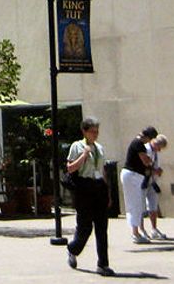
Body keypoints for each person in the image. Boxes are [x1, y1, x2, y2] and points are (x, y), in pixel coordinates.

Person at [65, 116, 114, 277]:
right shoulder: (77, 146)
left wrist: (107, 193)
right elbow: (71, 168)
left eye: (97, 131)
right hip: (84, 188)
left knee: (102, 227)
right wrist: (84, 155)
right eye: (92, 131)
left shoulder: (99, 148)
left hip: (98, 186)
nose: (95, 134)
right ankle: (73, 249)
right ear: (84, 131)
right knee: (85, 227)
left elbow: (103, 171)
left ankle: (103, 264)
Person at [120, 126, 158, 244]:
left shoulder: (138, 143)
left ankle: (136, 231)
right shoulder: (138, 143)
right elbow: (145, 161)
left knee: (135, 203)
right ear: (148, 137)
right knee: (135, 204)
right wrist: (150, 162)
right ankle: (135, 233)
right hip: (132, 176)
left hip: (133, 176)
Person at [144, 134, 169, 239]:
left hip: (152, 181)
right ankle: (141, 230)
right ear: (156, 143)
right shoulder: (145, 149)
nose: (159, 151)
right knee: (141, 206)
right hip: (143, 180)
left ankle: (154, 229)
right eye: (160, 148)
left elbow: (155, 166)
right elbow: (144, 166)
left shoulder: (155, 153)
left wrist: (158, 171)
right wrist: (155, 171)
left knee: (153, 204)